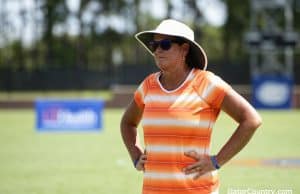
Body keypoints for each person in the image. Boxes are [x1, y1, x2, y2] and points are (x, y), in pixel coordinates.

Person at [120, 19, 262, 194]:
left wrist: (216, 161)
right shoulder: (148, 85)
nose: (157, 50)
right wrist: (135, 156)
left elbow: (251, 120)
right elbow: (127, 122)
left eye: (164, 44)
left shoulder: (206, 82)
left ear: (184, 49)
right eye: (153, 45)